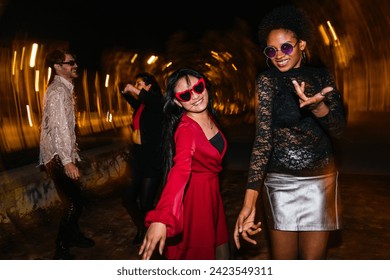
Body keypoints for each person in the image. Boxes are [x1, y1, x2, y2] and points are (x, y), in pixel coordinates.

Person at [234, 5, 346, 260]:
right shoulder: (266, 81)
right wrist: (249, 203)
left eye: (286, 47)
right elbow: (262, 143)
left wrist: (318, 108)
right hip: (279, 183)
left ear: (302, 44)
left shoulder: (322, 77)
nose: (279, 55)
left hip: (320, 183)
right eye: (272, 50)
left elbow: (338, 130)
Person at [138, 68, 230, 260]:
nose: (196, 97)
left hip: (212, 195)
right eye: (186, 94)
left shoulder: (210, 115)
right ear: (177, 101)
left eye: (198, 87)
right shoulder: (187, 129)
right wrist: (162, 217)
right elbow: (180, 170)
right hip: (195, 201)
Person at [39, 49, 95, 260]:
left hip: (60, 155)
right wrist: (67, 161)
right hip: (57, 157)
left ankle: (75, 235)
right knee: (74, 203)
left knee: (75, 201)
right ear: (57, 67)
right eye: (70, 62)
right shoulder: (57, 92)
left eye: (74, 61)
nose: (75, 65)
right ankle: (61, 248)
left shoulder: (64, 89)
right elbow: (59, 127)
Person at [120, 72, 164, 245]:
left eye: (140, 84)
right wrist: (124, 89)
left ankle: (155, 234)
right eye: (136, 84)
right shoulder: (142, 106)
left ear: (149, 86)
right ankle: (142, 227)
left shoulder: (158, 103)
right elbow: (131, 99)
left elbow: (153, 101)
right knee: (128, 198)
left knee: (146, 203)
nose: (136, 86)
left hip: (151, 159)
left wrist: (132, 88)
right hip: (136, 157)